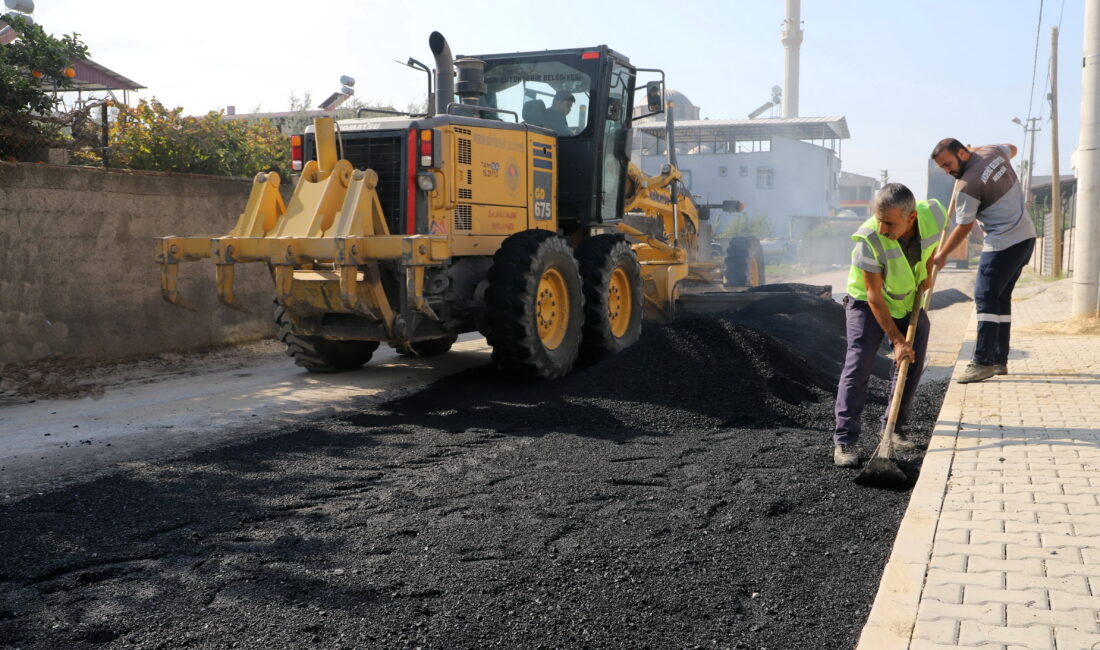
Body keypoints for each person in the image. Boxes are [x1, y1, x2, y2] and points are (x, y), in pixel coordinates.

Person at [833, 183, 947, 467]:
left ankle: (893, 428)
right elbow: (873, 295)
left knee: (912, 359)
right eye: (879, 219)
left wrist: (929, 269)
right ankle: (845, 440)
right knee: (859, 362)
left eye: (889, 222)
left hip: (908, 299)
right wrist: (896, 340)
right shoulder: (869, 237)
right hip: (867, 304)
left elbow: (933, 242)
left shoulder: (933, 215)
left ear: (911, 217)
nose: (882, 228)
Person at [930, 138, 1036, 384]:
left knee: (985, 298)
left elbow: (964, 226)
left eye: (948, 164)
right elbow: (1013, 147)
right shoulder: (993, 151)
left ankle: (982, 362)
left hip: (1002, 243)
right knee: (1000, 299)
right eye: (942, 168)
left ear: (962, 154)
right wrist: (977, 149)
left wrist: (942, 254)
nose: (947, 171)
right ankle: (999, 360)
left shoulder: (967, 186)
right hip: (1026, 238)